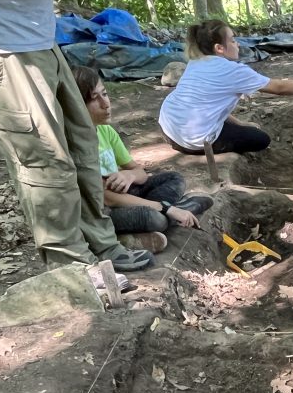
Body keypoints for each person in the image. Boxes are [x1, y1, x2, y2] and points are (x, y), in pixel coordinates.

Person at [0, 0, 152, 272]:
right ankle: (73, 268)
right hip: (2, 49)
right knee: (45, 160)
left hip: (43, 41)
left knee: (83, 143)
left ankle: (103, 244)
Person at [72, 66, 213, 254]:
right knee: (155, 218)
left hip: (128, 195)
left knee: (174, 179)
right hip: (105, 211)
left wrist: (129, 175)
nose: (106, 104)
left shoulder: (105, 131)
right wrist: (165, 209)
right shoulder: (74, 145)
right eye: (94, 100)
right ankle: (130, 236)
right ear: (77, 106)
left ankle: (159, 219)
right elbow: (108, 198)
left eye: (104, 94)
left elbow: (141, 174)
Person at [158, 19, 293, 155]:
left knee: (242, 129)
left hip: (168, 131)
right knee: (260, 139)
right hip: (193, 140)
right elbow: (278, 87)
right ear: (219, 48)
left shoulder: (196, 62)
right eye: (232, 40)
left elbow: (208, 106)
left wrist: (239, 123)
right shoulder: (233, 71)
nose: (237, 44)